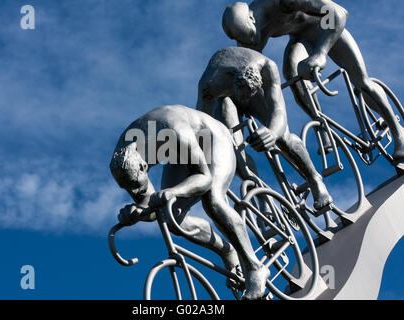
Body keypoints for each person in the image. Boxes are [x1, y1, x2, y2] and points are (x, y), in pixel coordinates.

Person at [110, 105, 270, 300]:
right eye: (129, 188)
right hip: (174, 150)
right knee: (172, 219)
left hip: (210, 137)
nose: (135, 191)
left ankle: (255, 267)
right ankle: (227, 252)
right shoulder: (123, 166)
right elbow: (152, 210)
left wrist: (174, 191)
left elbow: (204, 179)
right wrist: (136, 213)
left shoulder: (173, 130)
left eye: (136, 185)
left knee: (214, 201)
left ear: (144, 166)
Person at [222, 0, 404, 164]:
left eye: (250, 34)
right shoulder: (249, 36)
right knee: (291, 73)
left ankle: (399, 132)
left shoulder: (284, 2)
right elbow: (253, 75)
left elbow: (338, 13)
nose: (251, 41)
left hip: (326, 26)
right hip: (301, 38)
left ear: (252, 19)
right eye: (243, 39)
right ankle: (322, 127)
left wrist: (321, 53)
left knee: (362, 82)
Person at [197, 46, 332, 210]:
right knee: (234, 151)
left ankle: (314, 179)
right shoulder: (211, 83)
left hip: (257, 91)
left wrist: (272, 133)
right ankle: (263, 198)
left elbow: (278, 111)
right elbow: (202, 125)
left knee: (284, 137)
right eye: (244, 94)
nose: (246, 98)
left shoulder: (267, 67)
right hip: (226, 99)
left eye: (249, 94)